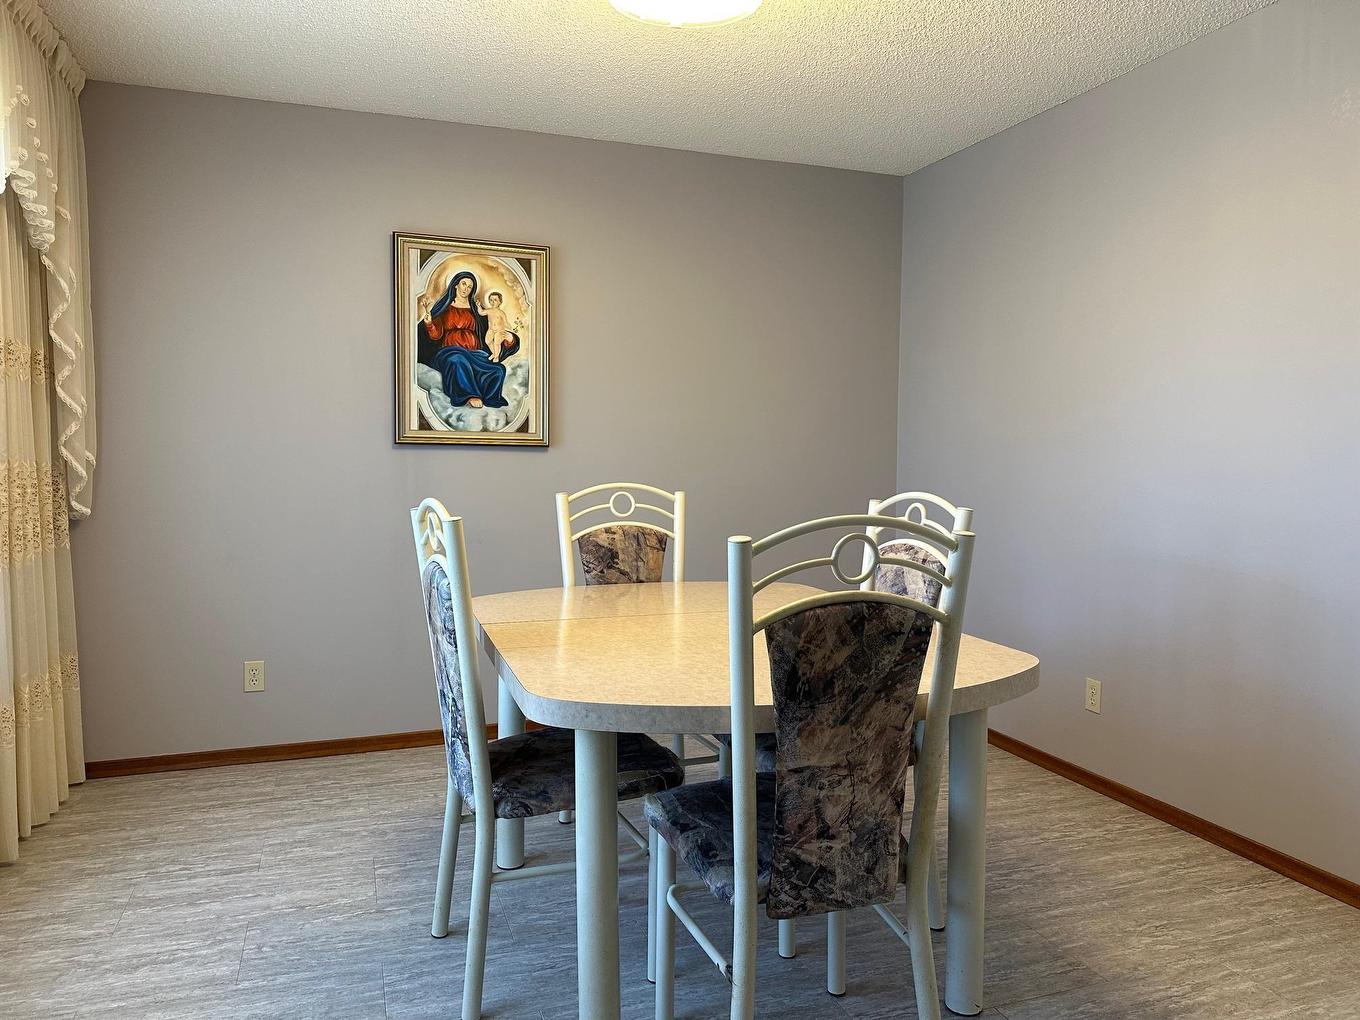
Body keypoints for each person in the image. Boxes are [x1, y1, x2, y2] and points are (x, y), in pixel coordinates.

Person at [416, 271, 519, 409]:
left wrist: (509, 339)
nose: (466, 288)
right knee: (458, 359)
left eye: (470, 287)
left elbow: (493, 329)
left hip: (474, 354)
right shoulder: (445, 307)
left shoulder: (477, 311)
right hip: (448, 353)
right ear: (455, 285)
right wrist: (429, 324)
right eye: (464, 284)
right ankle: (470, 394)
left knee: (498, 369)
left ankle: (490, 399)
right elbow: (436, 335)